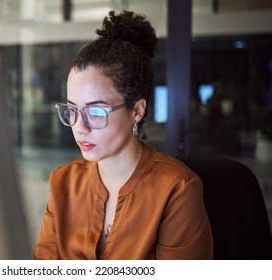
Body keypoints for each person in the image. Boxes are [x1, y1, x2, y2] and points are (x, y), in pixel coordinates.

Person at [33, 10, 213, 260]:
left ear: (137, 110)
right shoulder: (62, 182)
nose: (79, 127)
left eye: (95, 111)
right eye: (72, 110)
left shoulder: (176, 190)